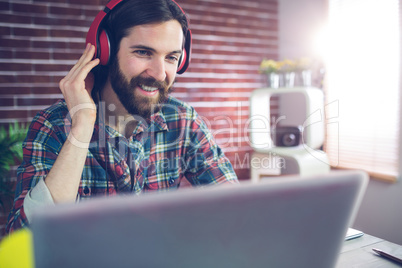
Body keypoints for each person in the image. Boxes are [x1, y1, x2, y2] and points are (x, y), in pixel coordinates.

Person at [6, 0, 238, 233]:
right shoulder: (54, 126)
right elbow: (26, 243)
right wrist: (83, 126)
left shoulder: (182, 120)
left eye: (171, 58)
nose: (159, 73)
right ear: (105, 50)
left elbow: (238, 210)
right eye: (143, 52)